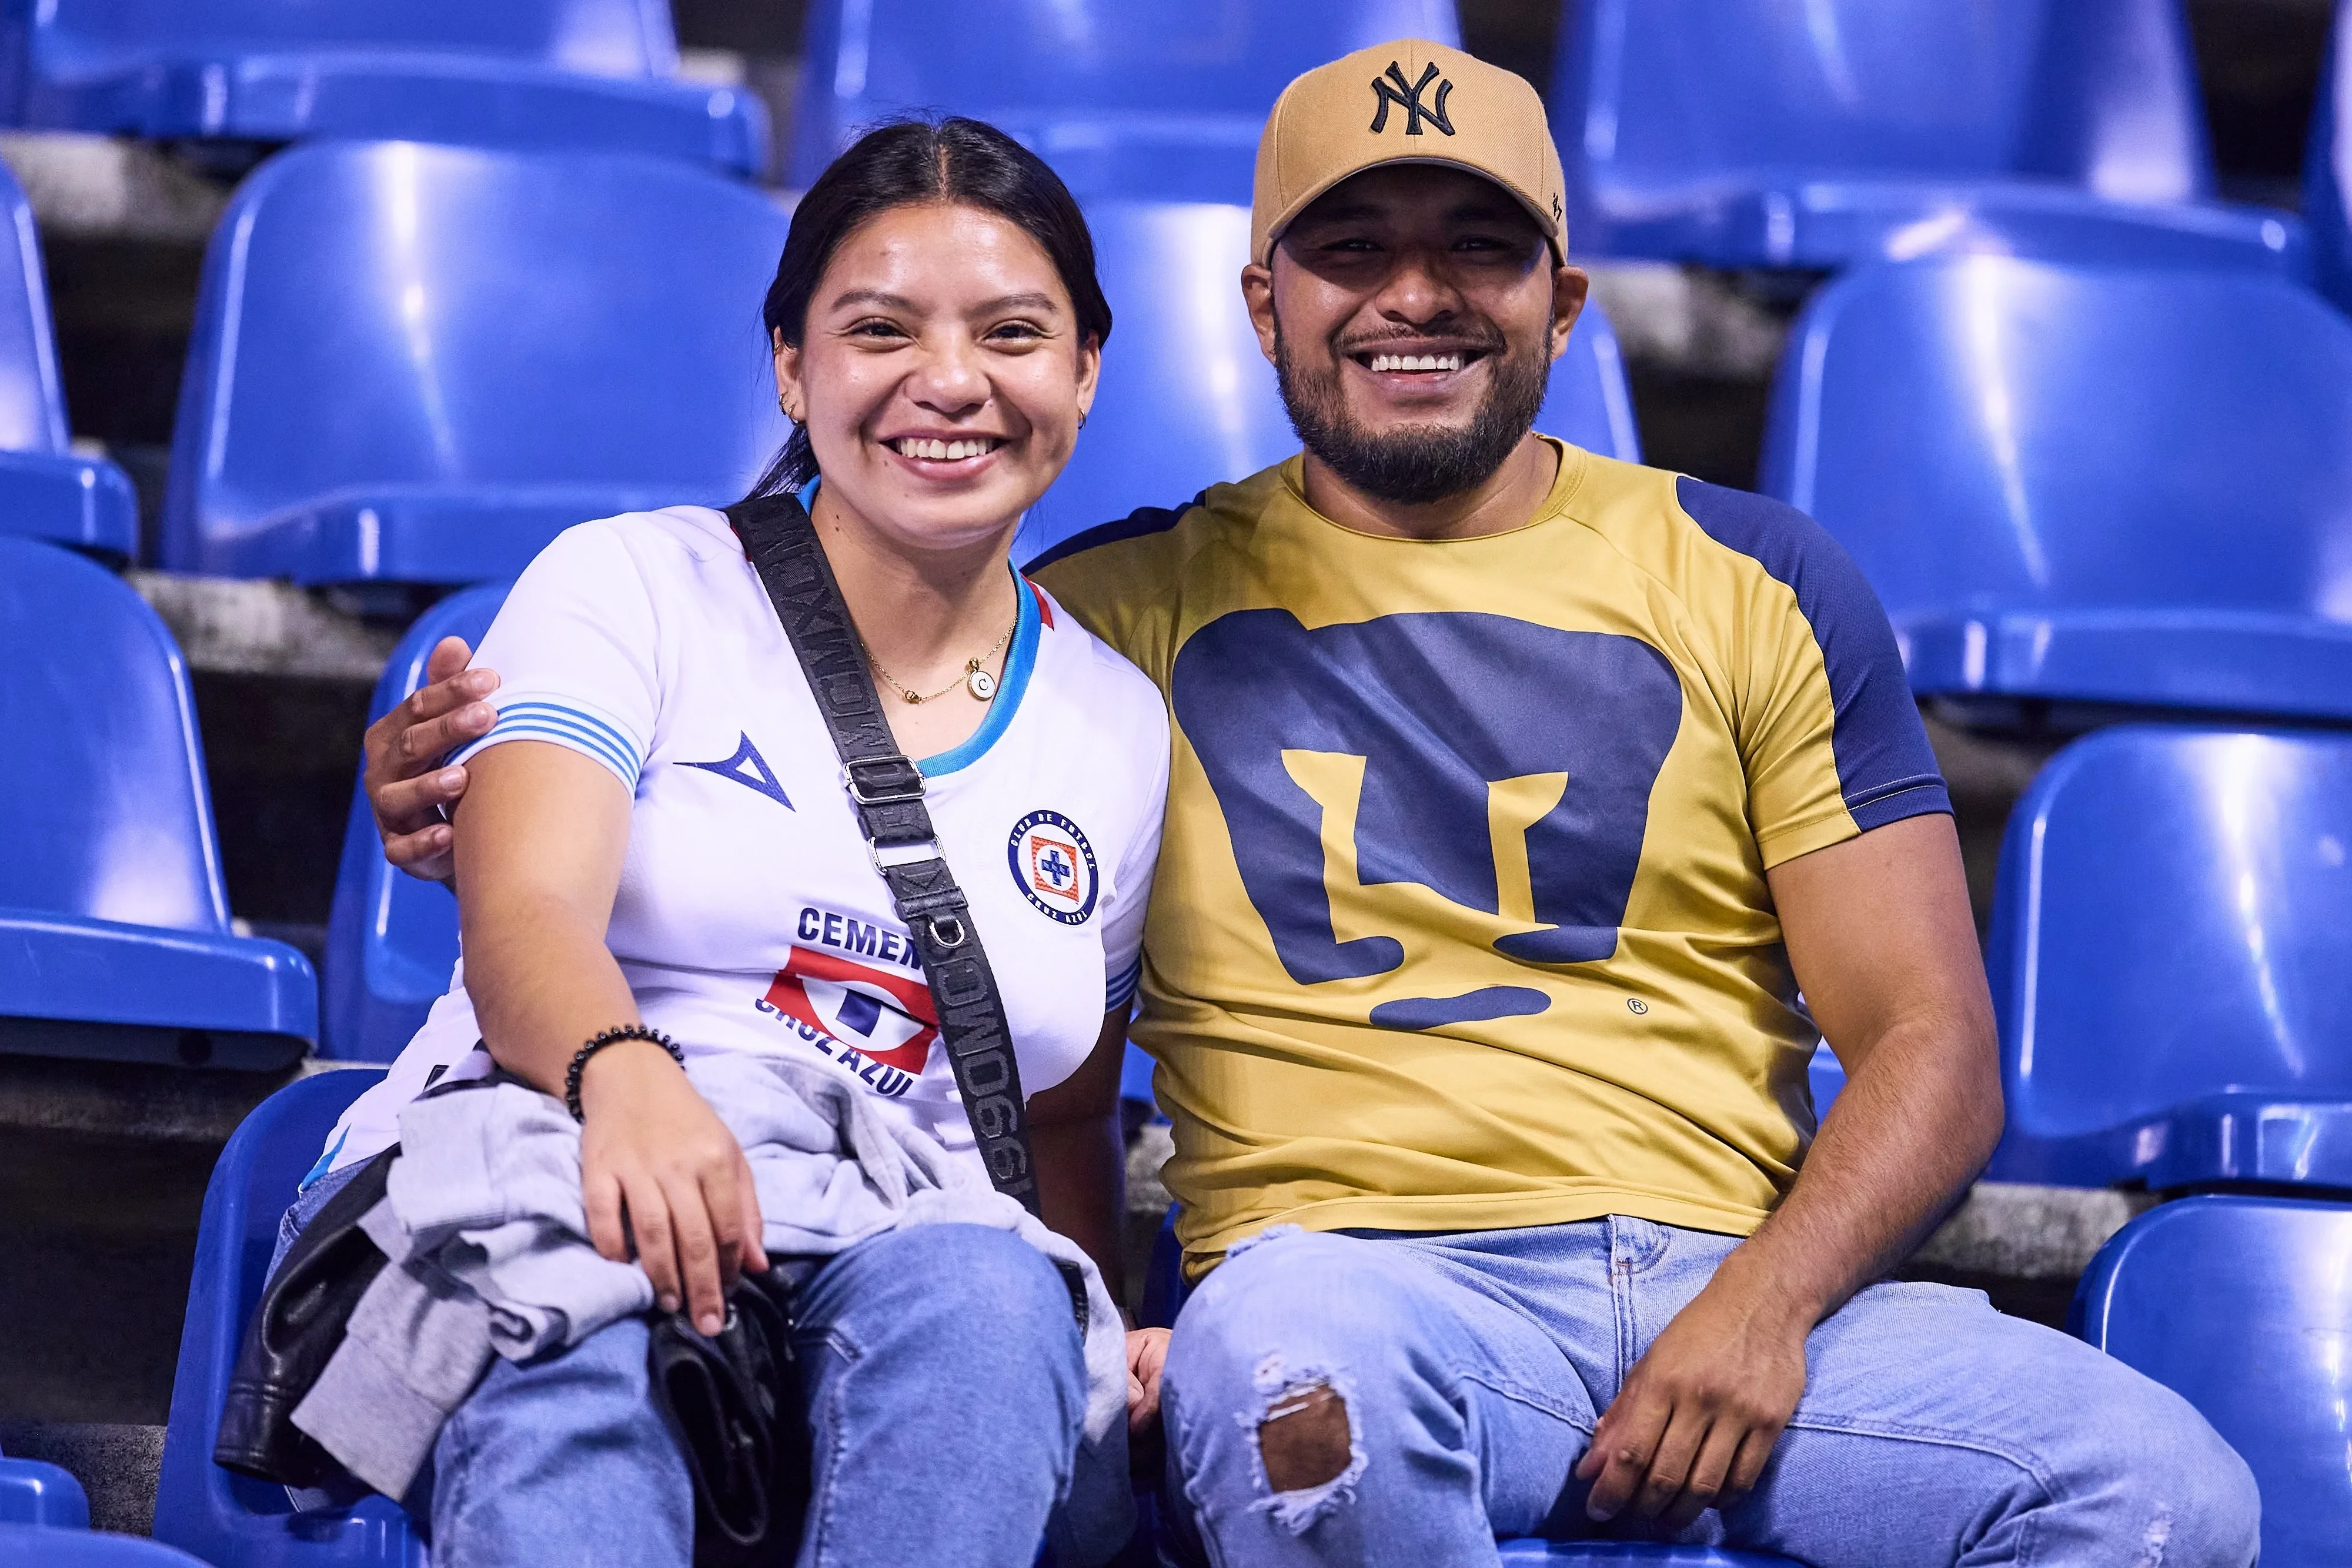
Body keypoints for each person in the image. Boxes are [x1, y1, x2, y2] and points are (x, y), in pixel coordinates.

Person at [365, 39, 2261, 1568]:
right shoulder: (1105, 622)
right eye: (1355, 252)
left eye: (1478, 248)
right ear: (1263, 301)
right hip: (1352, 1294)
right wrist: (464, 770)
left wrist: (1762, 1310)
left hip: (1736, 1271)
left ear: (1568, 298)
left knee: (2169, 1500)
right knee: (1303, 1420)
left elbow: (1935, 1041)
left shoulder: (1756, 574)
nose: (1414, 297)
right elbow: (812, 637)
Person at [286, 117, 1169, 1567]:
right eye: (878, 328)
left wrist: (1102, 1312)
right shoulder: (628, 583)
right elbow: (524, 911)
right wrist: (622, 1077)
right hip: (583, 1142)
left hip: (916, 1250)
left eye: (1013, 333)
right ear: (788, 362)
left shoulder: (1120, 725)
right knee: (575, 1318)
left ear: (1082, 370)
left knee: (987, 1306)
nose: (949, 382)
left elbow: (1056, 1118)